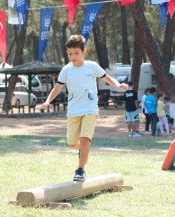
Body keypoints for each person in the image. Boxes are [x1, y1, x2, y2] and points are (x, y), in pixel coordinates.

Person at [40, 35, 128, 182]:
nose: (73, 56)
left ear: (84, 52)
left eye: (76, 53)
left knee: (85, 140)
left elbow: (107, 78)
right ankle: (84, 150)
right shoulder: (66, 70)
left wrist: (118, 85)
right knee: (71, 142)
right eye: (70, 53)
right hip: (74, 110)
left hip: (90, 109)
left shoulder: (92, 66)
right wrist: (47, 101)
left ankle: (80, 170)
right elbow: (57, 88)